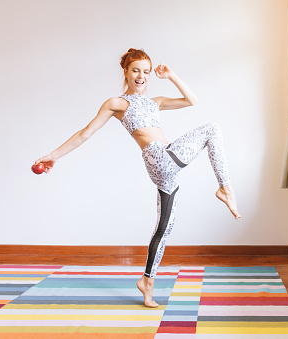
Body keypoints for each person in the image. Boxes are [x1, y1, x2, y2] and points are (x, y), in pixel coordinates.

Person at [34, 48, 241, 308]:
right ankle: (226, 189)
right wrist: (53, 156)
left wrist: (172, 75)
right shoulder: (117, 103)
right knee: (212, 129)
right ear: (126, 72)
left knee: (164, 228)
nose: (141, 76)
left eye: (145, 71)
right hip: (160, 157)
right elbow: (84, 133)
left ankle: (147, 283)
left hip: (167, 166)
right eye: (135, 70)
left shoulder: (156, 102)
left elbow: (192, 100)